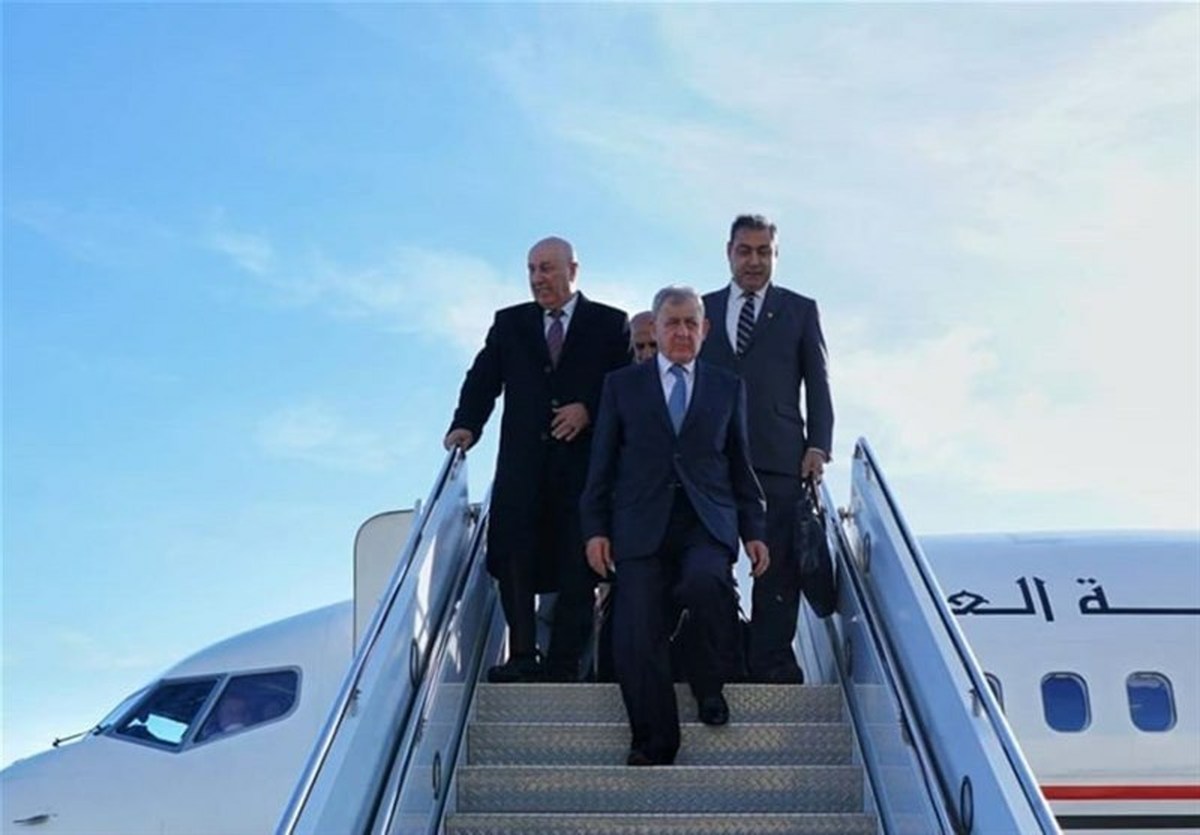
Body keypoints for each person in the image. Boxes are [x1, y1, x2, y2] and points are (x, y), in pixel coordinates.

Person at [580, 285, 768, 766]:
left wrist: (754, 529)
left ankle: (709, 684)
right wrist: (595, 528)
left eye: (690, 323)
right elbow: (602, 465)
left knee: (706, 584)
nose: (682, 332)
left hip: (706, 520)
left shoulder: (727, 387)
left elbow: (739, 463)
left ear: (705, 330)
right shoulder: (622, 386)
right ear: (656, 328)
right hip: (640, 524)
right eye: (672, 323)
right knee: (636, 629)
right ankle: (654, 741)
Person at [445, 236, 631, 683]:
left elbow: (627, 389)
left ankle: (565, 664)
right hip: (522, 466)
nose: (537, 278)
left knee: (576, 566)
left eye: (547, 268)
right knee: (513, 555)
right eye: (531, 269)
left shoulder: (610, 323)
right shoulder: (510, 324)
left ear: (573, 270)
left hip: (582, 470)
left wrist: (588, 409)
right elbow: (482, 379)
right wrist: (465, 425)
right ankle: (523, 654)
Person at [698, 213, 834, 684]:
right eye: (745, 251)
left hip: (779, 456)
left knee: (777, 567)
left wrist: (818, 445)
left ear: (776, 255)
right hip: (711, 457)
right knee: (710, 564)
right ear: (729, 253)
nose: (753, 261)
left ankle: (771, 662)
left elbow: (818, 382)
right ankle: (721, 659)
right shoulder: (702, 309)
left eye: (763, 252)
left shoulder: (799, 310)